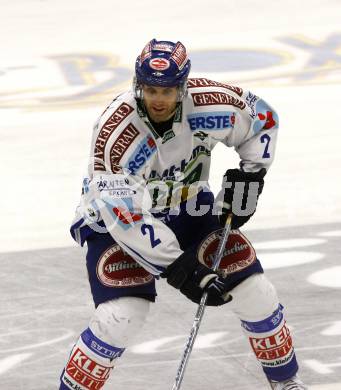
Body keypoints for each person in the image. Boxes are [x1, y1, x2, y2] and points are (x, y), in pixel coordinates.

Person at [59, 39, 307, 390]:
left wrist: (251, 175)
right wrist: (177, 266)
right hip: (112, 222)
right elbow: (125, 215)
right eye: (150, 89)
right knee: (121, 316)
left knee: (254, 289)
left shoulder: (212, 102)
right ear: (137, 85)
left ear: (183, 87)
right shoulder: (116, 133)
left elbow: (263, 120)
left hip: (189, 206)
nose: (158, 99)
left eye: (168, 90)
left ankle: (287, 383)